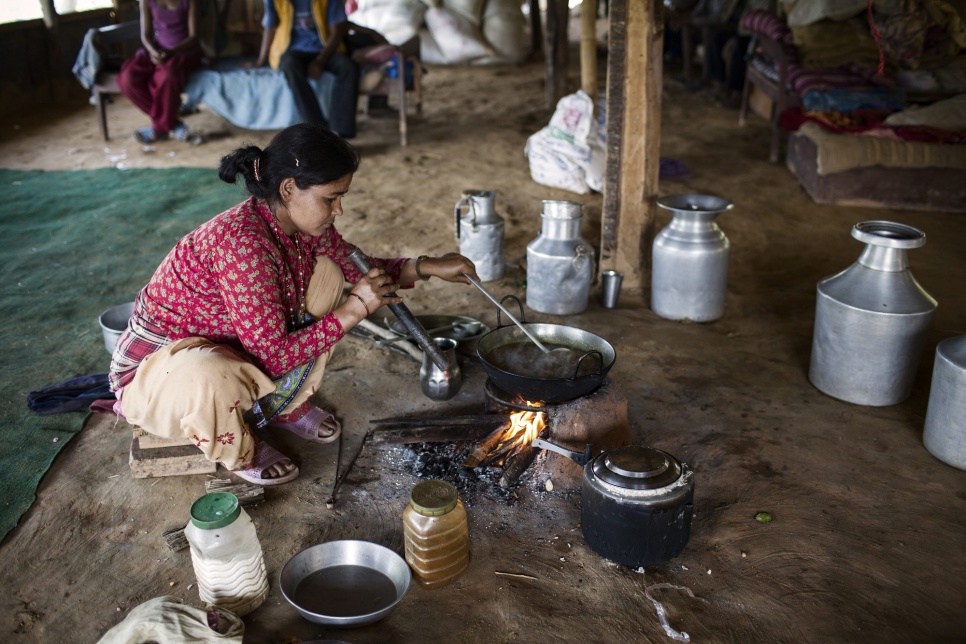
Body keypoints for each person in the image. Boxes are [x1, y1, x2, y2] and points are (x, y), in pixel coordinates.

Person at [108, 123, 479, 485]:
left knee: (329, 273)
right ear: (289, 189)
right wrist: (353, 311)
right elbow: (272, 356)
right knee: (209, 374)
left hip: (233, 343)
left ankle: (285, 406)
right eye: (330, 198)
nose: (338, 211)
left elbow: (358, 266)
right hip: (161, 373)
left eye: (341, 198)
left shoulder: (298, 222)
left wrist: (428, 266)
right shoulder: (243, 247)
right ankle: (240, 453)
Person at [248, 0, 391, 139]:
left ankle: (340, 131)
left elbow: (337, 32)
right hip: (290, 49)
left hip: (325, 47)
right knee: (290, 68)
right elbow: (270, 28)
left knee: (348, 67)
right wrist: (261, 60)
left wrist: (320, 61)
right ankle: (317, 130)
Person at [117, 0, 204, 143]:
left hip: (183, 53)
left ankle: (159, 129)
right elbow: (145, 35)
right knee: (127, 79)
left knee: (166, 77)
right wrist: (153, 52)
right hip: (157, 52)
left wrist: (172, 51)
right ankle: (172, 123)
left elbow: (194, 37)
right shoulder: (146, 1)